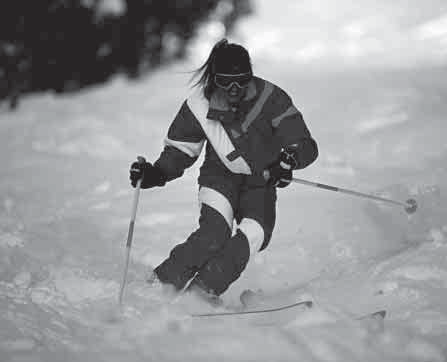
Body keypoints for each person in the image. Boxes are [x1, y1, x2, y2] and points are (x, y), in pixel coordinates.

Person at [129, 38, 318, 300]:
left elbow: (302, 142)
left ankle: (202, 293)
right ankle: (161, 285)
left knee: (256, 234)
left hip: (260, 183)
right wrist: (157, 173)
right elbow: (181, 149)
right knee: (214, 234)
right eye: (225, 81)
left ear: (250, 76)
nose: (233, 88)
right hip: (219, 178)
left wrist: (289, 161)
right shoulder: (199, 105)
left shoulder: (270, 99)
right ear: (213, 79)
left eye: (241, 80)